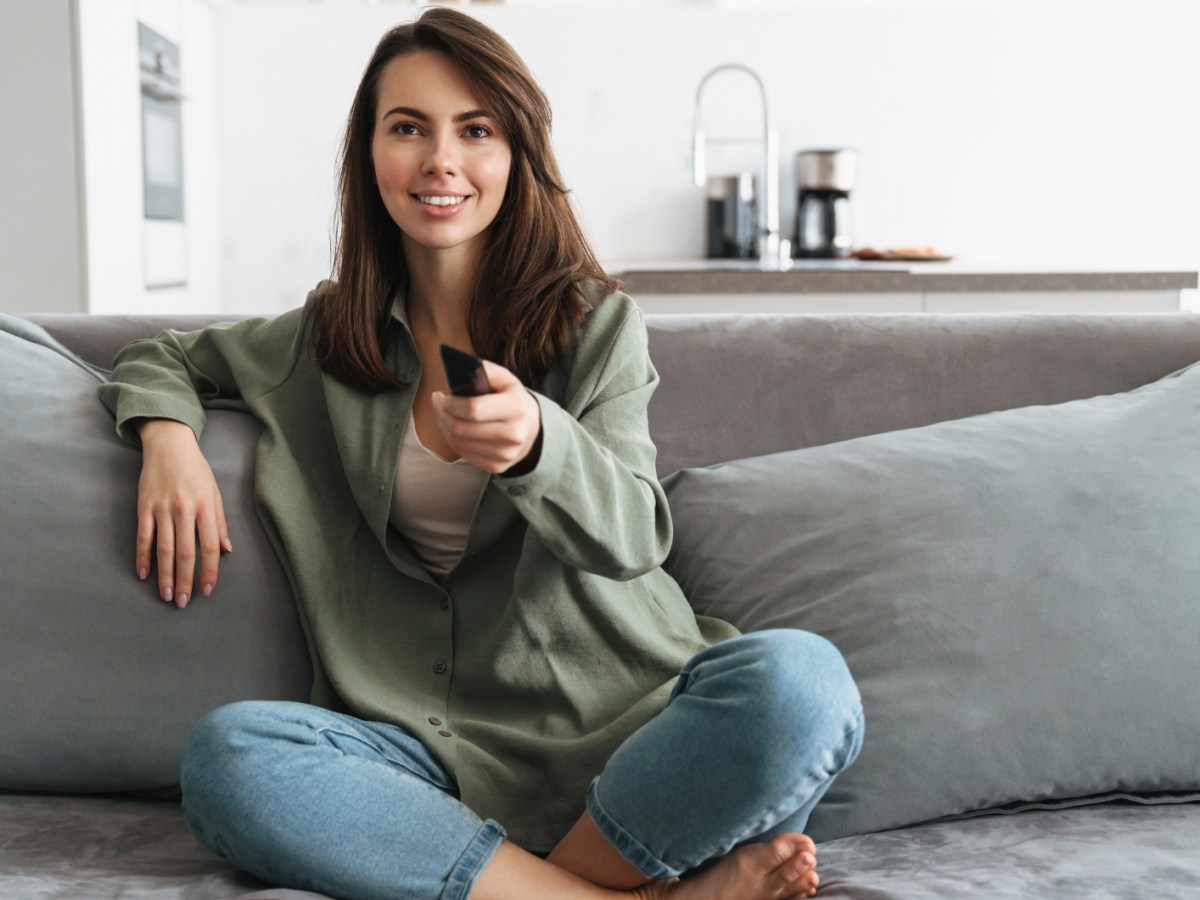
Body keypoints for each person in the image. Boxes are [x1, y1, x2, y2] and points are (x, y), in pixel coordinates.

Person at [99, 8, 863, 899]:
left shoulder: (597, 326)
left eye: (476, 130)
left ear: (516, 155)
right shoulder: (322, 340)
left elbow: (634, 538)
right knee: (230, 756)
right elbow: (161, 357)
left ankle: (534, 886)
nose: (440, 161)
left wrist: (542, 443)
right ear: (369, 154)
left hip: (636, 732)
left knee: (801, 683)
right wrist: (165, 438)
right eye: (407, 128)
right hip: (429, 762)